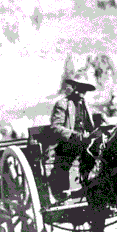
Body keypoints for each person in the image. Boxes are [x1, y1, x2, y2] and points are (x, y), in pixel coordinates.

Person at [43, 70, 97, 200]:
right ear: (74, 87)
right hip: (66, 146)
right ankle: (66, 193)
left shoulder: (85, 106)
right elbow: (56, 127)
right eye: (80, 87)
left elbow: (90, 127)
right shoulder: (63, 104)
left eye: (85, 89)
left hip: (84, 145)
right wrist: (75, 136)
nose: (82, 92)